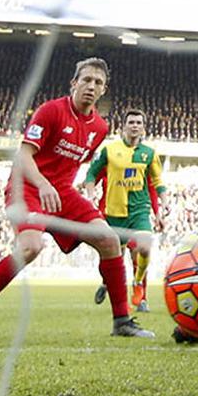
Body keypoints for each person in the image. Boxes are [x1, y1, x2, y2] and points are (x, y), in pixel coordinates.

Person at [0, 57, 153, 341]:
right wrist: (44, 183)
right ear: (74, 83)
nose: (91, 86)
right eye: (86, 80)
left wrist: (71, 193)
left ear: (104, 90)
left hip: (62, 193)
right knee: (31, 247)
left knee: (109, 240)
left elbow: (73, 166)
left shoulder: (100, 128)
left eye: (98, 83)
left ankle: (122, 320)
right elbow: (24, 156)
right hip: (28, 188)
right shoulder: (50, 111)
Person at [83, 109, 165, 313]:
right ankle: (106, 282)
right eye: (131, 122)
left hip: (139, 211)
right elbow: (91, 174)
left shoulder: (149, 154)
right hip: (113, 212)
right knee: (114, 258)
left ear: (144, 127)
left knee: (144, 249)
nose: (135, 125)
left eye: (139, 122)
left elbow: (156, 184)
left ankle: (139, 289)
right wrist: (90, 196)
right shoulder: (110, 151)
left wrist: (161, 210)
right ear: (124, 126)